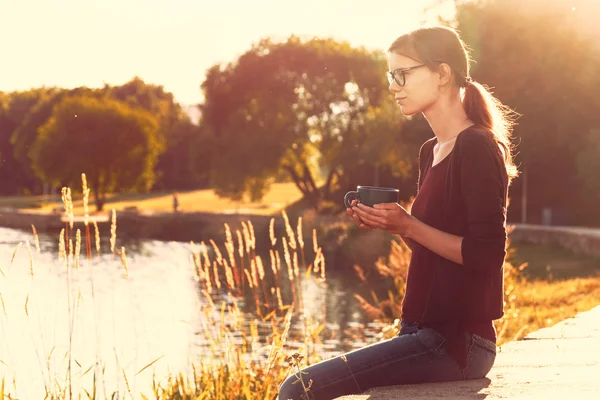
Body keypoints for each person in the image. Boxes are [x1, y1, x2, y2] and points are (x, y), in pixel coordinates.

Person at [278, 26, 518, 400]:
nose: (393, 86)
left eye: (402, 74)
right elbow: (436, 251)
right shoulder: (431, 151)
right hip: (420, 332)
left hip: (457, 342)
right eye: (391, 75)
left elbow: (486, 256)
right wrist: (397, 225)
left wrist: (409, 223)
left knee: (298, 387)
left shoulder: (476, 146)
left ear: (442, 74)